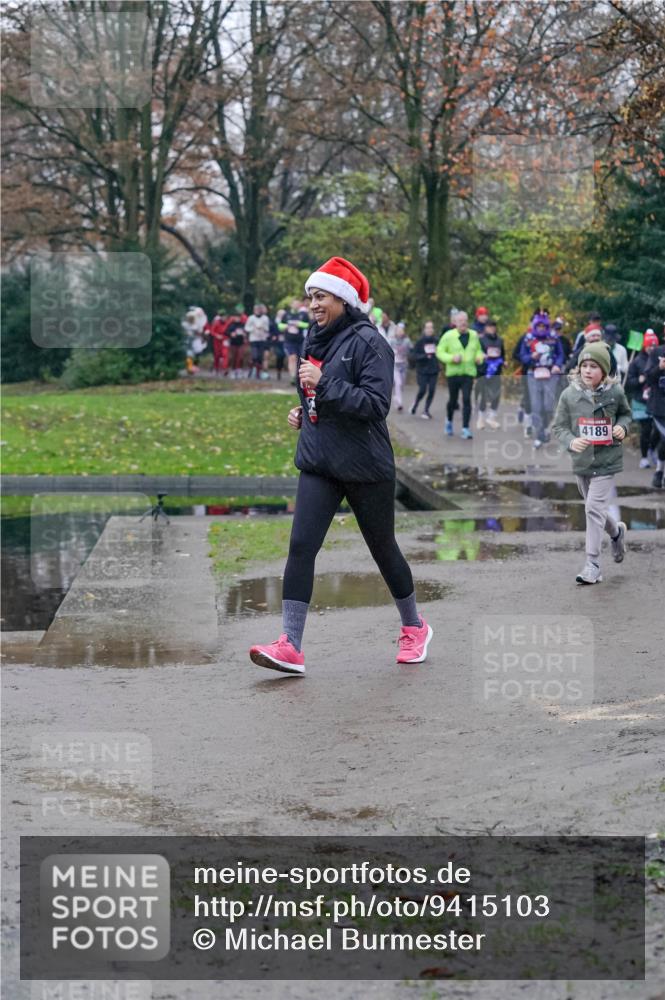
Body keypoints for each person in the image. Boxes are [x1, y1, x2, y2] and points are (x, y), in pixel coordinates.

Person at [249, 257, 432, 675]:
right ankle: (290, 645)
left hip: (365, 465)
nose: (314, 304)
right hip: (320, 461)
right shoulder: (313, 338)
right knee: (301, 546)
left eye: (322, 297)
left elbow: (375, 405)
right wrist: (304, 411)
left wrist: (324, 385)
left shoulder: (371, 343)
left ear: (343, 300)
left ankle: (414, 627)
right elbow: (314, 394)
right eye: (311, 297)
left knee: (383, 548)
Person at [552, 341, 631, 584]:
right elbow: (559, 427)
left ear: (604, 371)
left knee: (592, 509)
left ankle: (592, 564)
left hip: (607, 461)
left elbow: (626, 414)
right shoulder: (569, 395)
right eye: (584, 365)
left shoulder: (615, 392)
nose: (587, 370)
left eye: (594, 366)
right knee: (594, 508)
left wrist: (622, 427)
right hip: (582, 462)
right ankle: (616, 533)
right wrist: (571, 441)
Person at [519, 311, 565, 448]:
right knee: (536, 406)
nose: (541, 328)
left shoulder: (554, 337)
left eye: (543, 326)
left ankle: (545, 428)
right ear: (534, 326)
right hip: (533, 374)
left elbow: (560, 354)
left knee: (548, 406)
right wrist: (531, 357)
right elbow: (522, 356)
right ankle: (540, 434)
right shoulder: (528, 338)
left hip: (550, 374)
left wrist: (557, 365)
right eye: (538, 326)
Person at [436, 310, 484, 438]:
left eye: (465, 320)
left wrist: (479, 358)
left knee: (467, 399)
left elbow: (479, 350)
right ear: (455, 322)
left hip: (468, 373)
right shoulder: (448, 336)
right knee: (453, 400)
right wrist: (451, 358)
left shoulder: (474, 335)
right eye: (460, 321)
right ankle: (449, 421)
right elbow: (439, 351)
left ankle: (465, 428)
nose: (463, 323)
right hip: (453, 373)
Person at [625, 329, 659, 468]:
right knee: (646, 429)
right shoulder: (637, 361)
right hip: (641, 401)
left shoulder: (660, 358)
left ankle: (652, 448)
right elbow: (629, 382)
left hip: (656, 400)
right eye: (649, 345)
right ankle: (644, 458)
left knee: (658, 430)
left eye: (654, 345)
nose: (652, 348)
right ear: (645, 345)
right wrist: (638, 380)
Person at [475, 318, 504, 430]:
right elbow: (476, 355)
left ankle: (491, 418)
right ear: (485, 328)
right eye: (489, 327)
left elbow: (502, 354)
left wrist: (503, 362)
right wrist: (482, 359)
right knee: (484, 396)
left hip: (496, 371)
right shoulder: (481, 340)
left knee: (496, 395)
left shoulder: (500, 340)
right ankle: (480, 419)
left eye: (493, 326)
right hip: (484, 372)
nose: (492, 329)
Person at [644, 342, 665, 488]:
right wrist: (660, 368)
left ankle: (660, 472)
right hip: (659, 408)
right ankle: (659, 471)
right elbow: (648, 378)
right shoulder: (656, 352)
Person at [410, 320, 440, 419]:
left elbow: (441, 352)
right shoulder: (420, 342)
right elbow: (414, 355)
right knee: (422, 390)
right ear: (424, 329)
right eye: (428, 327)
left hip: (434, 369)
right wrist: (424, 356)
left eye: (431, 327)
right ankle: (415, 404)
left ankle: (426, 410)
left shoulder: (436, 341)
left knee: (431, 390)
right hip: (422, 370)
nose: (430, 329)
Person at [279, 299, 309, 384]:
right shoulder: (286, 314)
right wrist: (287, 326)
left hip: (301, 341)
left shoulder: (303, 314)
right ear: (291, 305)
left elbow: (309, 325)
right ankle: (293, 377)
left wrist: (299, 324)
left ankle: (299, 377)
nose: (296, 305)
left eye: (297, 304)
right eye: (294, 304)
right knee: (292, 357)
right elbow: (280, 326)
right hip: (289, 341)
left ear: (300, 305)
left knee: (300, 359)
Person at [389, 321, 411, 412]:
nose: (400, 332)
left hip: (404, 365)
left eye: (401, 330)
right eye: (398, 330)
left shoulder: (407, 341)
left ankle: (396, 398)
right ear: (395, 331)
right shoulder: (392, 341)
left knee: (401, 385)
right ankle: (400, 403)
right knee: (398, 383)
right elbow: (388, 351)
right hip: (395, 366)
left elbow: (411, 350)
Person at [245, 304, 270, 379]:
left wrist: (262, 327)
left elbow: (267, 328)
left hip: (262, 339)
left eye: (259, 310)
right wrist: (253, 328)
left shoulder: (265, 318)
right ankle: (252, 370)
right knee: (254, 356)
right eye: (256, 310)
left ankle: (258, 373)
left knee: (260, 357)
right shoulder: (251, 318)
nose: (258, 311)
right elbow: (246, 328)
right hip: (253, 339)